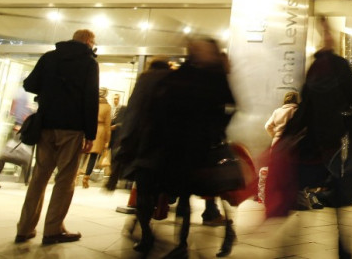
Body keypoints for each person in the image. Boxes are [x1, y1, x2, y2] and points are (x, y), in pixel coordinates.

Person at [269, 15, 352, 259]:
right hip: (319, 141)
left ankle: (339, 249)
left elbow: (350, 102)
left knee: (333, 197)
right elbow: (308, 105)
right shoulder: (324, 66)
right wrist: (288, 136)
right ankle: (295, 248)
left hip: (325, 141)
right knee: (320, 193)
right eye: (324, 32)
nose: (326, 35)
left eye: (327, 31)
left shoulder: (336, 66)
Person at [14, 29, 99, 246]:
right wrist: (90, 134)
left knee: (39, 176)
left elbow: (29, 84)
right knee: (65, 180)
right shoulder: (89, 62)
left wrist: (50, 89)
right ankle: (52, 230)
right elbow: (90, 99)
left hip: (45, 125)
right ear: (89, 41)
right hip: (72, 128)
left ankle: (24, 228)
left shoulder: (50, 57)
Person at [160, 39, 236, 259]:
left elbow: (232, 105)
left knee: (217, 190)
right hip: (184, 143)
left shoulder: (215, 76)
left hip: (206, 143)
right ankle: (181, 242)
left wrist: (218, 128)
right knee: (185, 194)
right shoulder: (187, 72)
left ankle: (228, 233)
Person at [114, 57, 173, 254]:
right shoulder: (175, 82)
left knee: (144, 191)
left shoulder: (145, 81)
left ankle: (146, 232)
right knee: (159, 189)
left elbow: (133, 113)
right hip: (167, 147)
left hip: (145, 145)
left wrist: (124, 142)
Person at [81, 87, 111, 188]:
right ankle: (86, 176)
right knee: (93, 156)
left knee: (81, 153)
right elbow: (107, 125)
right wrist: (107, 140)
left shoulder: (91, 103)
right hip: (100, 131)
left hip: (88, 128)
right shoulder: (107, 107)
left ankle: (76, 173)